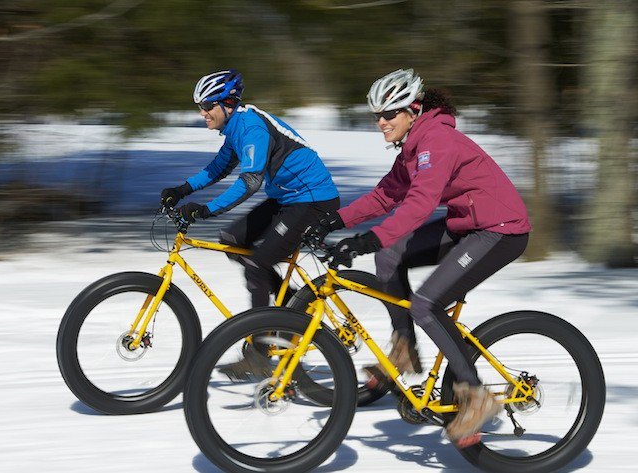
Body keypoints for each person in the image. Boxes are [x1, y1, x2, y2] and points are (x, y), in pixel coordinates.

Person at [306, 69, 531, 446]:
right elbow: (385, 196)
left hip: (500, 230)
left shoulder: (435, 141)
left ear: (412, 110)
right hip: (467, 224)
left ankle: (475, 396)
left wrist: (367, 239)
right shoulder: (413, 145)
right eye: (377, 115)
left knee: (426, 303)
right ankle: (404, 350)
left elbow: (419, 204)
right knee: (389, 257)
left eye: (388, 114)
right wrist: (335, 220)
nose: (381, 122)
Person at [160, 70, 340, 378]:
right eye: (200, 107)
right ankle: (292, 308)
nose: (203, 113)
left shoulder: (251, 128)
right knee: (233, 239)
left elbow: (250, 182)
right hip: (288, 199)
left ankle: (259, 354)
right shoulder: (234, 128)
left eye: (208, 106)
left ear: (227, 104)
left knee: (257, 266)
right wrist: (181, 190)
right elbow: (218, 168)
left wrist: (205, 210)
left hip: (313, 201)